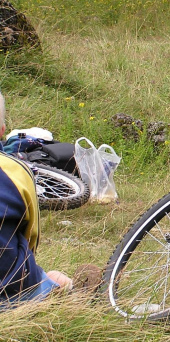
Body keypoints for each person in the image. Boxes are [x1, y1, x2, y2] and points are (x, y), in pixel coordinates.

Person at [0, 91, 98, 306]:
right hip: (11, 294)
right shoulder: (15, 171)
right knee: (56, 277)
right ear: (3, 131)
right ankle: (73, 295)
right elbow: (30, 236)